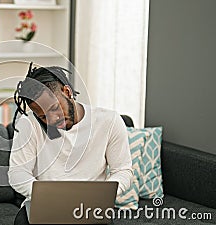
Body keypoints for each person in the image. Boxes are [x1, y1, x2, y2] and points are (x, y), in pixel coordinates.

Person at [8, 63, 133, 224]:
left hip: (90, 210)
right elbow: (17, 173)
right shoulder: (29, 125)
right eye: (43, 117)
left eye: (54, 108)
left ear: (67, 92)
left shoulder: (109, 121)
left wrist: (105, 194)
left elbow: (123, 170)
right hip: (44, 206)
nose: (52, 120)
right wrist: (49, 195)